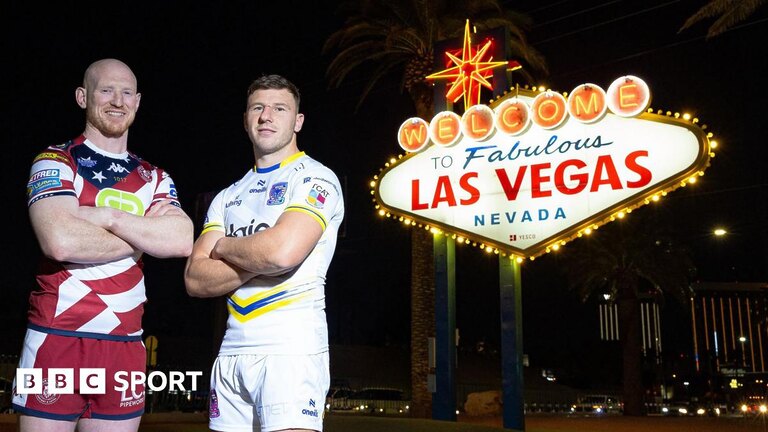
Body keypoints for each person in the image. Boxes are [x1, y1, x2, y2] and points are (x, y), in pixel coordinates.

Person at [13, 58, 194, 432]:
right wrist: (144, 236)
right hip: (56, 336)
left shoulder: (154, 176)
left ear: (138, 101)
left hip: (125, 343)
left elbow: (180, 240)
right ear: (83, 97)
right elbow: (59, 241)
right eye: (106, 90)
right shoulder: (55, 159)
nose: (118, 100)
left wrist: (108, 218)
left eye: (127, 92)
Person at [184, 74, 344, 432]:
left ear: (297, 121)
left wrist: (223, 247)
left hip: (291, 350)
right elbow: (195, 279)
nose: (266, 116)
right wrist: (260, 253)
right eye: (257, 107)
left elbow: (281, 253)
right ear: (245, 119)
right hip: (230, 354)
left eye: (279, 108)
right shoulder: (227, 196)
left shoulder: (315, 178)